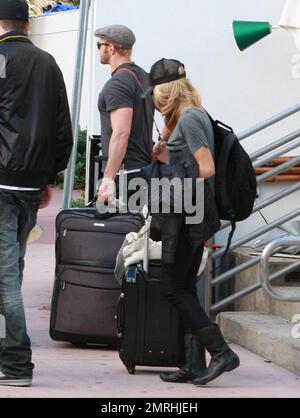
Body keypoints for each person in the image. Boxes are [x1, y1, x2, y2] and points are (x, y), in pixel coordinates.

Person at [147, 58, 240, 386]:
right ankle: (193, 365)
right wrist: (165, 144)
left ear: (166, 92)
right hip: (189, 213)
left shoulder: (190, 119)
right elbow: (181, 149)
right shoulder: (190, 114)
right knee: (183, 286)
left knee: (173, 287)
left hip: (189, 216)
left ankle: (220, 352)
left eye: (157, 95)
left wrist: (173, 177)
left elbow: (207, 167)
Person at [0, 0, 73, 386]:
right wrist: (48, 178)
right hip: (29, 185)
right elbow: (64, 129)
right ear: (27, 25)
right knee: (12, 270)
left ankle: (15, 362)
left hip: (1, 182)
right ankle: (7, 353)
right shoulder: (48, 63)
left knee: (5, 276)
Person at [94, 24, 154, 204]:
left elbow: (121, 133)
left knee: (121, 230)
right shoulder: (143, 75)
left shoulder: (119, 83)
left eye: (100, 45)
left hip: (126, 175)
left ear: (111, 48)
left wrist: (108, 179)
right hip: (142, 170)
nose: (98, 50)